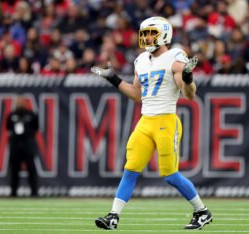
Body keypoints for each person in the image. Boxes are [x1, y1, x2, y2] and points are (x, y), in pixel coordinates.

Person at [91, 16, 213, 230]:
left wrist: (188, 78)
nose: (147, 37)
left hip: (166, 120)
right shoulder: (141, 60)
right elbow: (138, 95)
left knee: (170, 175)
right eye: (145, 33)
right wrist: (114, 79)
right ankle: (113, 216)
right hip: (145, 121)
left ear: (164, 34)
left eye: (151, 33)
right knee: (130, 169)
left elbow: (189, 95)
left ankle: (202, 211)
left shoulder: (174, 56)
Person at [6, 95, 39, 197]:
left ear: (25, 102)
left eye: (21, 101)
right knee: (14, 170)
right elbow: (8, 128)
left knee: (31, 169)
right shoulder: (12, 115)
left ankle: (34, 192)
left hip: (28, 145)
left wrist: (27, 134)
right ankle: (13, 192)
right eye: (18, 101)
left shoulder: (31, 115)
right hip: (16, 146)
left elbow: (36, 128)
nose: (19, 103)